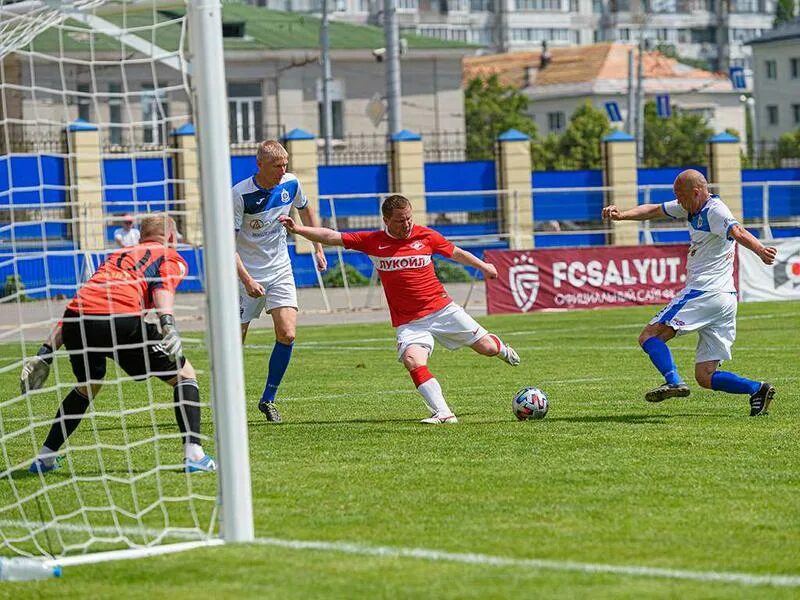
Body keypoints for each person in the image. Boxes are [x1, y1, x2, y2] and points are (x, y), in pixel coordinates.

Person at [279, 194, 520, 424]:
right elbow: (331, 236)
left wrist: (485, 266)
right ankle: (444, 413)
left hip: (443, 310)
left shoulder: (425, 236)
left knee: (487, 348)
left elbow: (456, 253)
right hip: (409, 322)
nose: (406, 224)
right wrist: (298, 229)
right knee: (412, 360)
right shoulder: (373, 241)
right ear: (386, 221)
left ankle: (502, 350)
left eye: (408, 219)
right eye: (399, 220)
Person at [23, 214, 215, 473]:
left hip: (76, 322)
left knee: (88, 385)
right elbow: (162, 286)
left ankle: (45, 457)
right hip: (120, 318)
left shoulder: (116, 256)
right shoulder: (171, 257)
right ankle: (194, 455)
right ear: (171, 237)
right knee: (185, 375)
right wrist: (167, 323)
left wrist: (45, 353)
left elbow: (79, 303)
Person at [602, 169, 778, 416]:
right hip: (725, 299)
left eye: (680, 196)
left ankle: (673, 380)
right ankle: (757, 389)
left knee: (649, 335)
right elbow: (654, 210)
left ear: (696, 192)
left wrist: (760, 249)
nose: (678, 201)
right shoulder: (691, 206)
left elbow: (737, 231)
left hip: (704, 291)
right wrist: (622, 216)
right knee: (705, 376)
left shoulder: (715, 211)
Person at [233, 140, 327, 423]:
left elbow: (307, 211)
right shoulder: (240, 195)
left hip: (280, 270)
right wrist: (247, 280)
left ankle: (268, 399)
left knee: (287, 334)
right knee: (234, 342)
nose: (282, 171)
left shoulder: (291, 183)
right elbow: (228, 245)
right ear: (260, 164)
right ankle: (230, 398)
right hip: (246, 274)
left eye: (285, 165)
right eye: (277, 166)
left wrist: (317, 247)